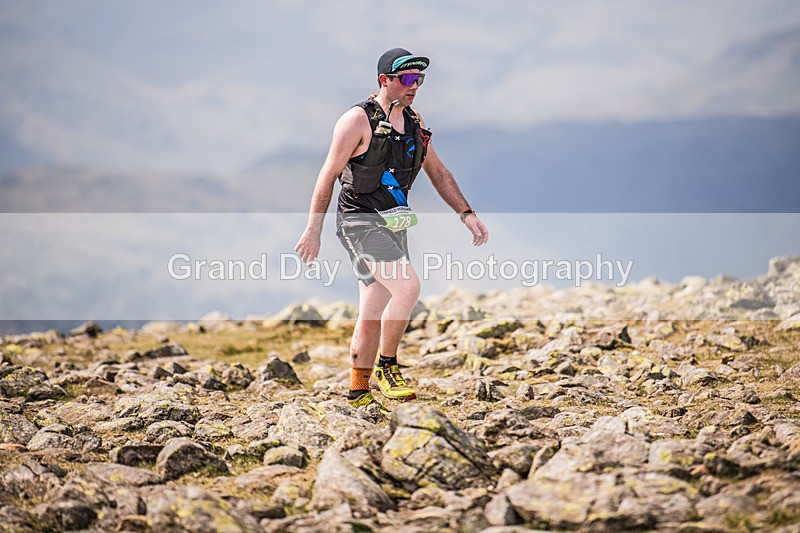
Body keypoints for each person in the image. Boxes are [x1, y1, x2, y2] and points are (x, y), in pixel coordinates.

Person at [295, 48, 489, 411]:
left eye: (420, 79)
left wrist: (467, 213)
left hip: (394, 222)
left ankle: (358, 391)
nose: (415, 86)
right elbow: (327, 175)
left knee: (373, 307)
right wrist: (313, 229)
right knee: (408, 285)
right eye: (408, 79)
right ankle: (387, 367)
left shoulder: (414, 121)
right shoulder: (356, 121)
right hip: (359, 220)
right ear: (384, 80)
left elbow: (438, 173)